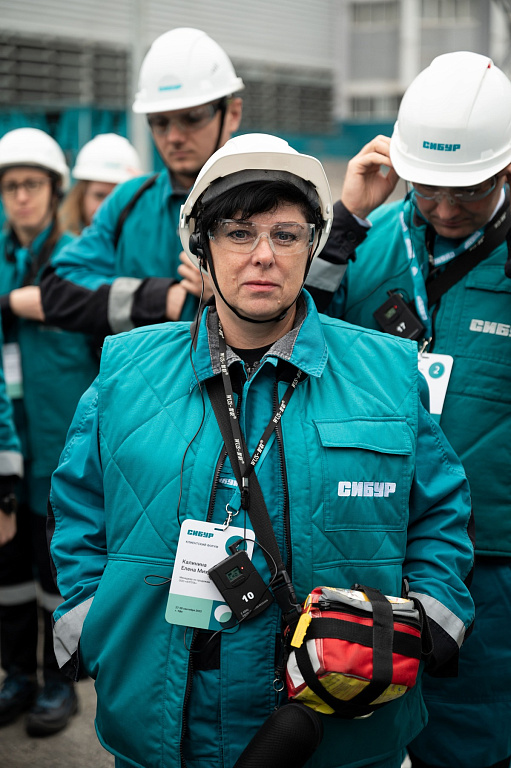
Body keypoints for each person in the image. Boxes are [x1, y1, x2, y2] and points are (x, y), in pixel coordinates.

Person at [49, 133, 474, 768]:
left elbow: (441, 514)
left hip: (336, 726)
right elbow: (77, 510)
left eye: (286, 234)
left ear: (312, 245)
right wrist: (97, 626)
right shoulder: (126, 373)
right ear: (202, 247)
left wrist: (428, 623)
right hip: (165, 726)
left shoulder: (387, 371)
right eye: (239, 233)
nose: (264, 255)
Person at [307, 51, 511, 768]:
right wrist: (346, 220)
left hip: (492, 563)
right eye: (429, 189)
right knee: (361, 733)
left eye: (470, 191)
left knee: (471, 742)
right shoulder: (368, 244)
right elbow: (299, 332)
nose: (446, 209)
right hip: (376, 546)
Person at [40, 27, 243, 345]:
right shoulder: (128, 201)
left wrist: (238, 293)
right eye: (160, 122)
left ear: (232, 114)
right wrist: (162, 298)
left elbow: (316, 301)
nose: (174, 137)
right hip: (140, 378)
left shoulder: (271, 202)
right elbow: (57, 290)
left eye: (192, 117)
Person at [0, 127, 99, 736]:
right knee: (8, 574)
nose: (21, 197)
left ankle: (60, 683)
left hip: (63, 455)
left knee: (57, 574)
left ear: (54, 189)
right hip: (9, 447)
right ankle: (17, 675)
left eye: (32, 184)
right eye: (11, 186)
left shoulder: (77, 262)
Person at [59, 133, 142, 235]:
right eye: (99, 196)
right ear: (81, 196)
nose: (107, 208)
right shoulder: (61, 243)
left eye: (118, 198)